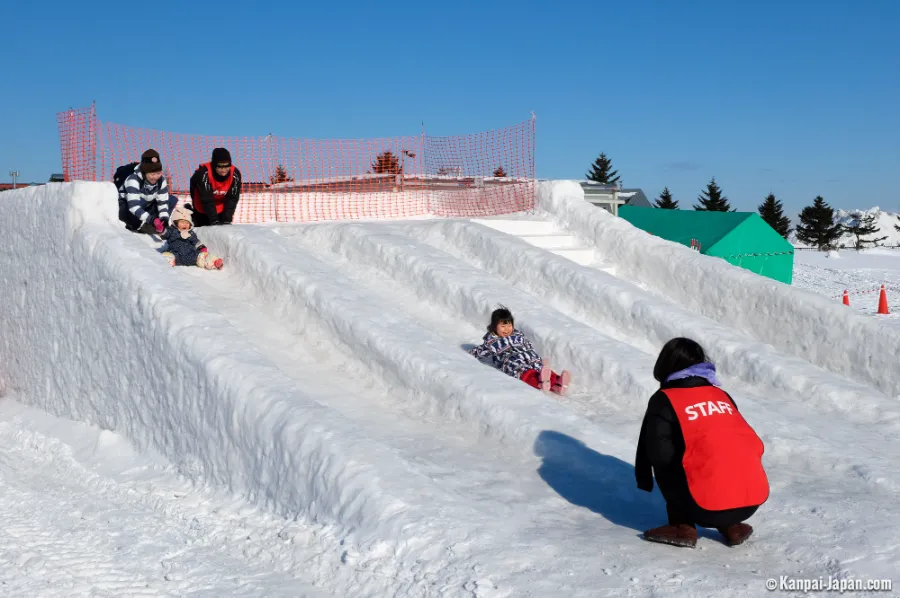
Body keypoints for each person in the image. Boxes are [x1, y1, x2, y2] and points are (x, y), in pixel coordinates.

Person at [635, 337, 769, 548]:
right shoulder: (721, 395)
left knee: (669, 463)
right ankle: (732, 525)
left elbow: (660, 457)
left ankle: (682, 526)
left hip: (703, 507)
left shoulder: (666, 399)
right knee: (724, 448)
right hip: (751, 503)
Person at [469, 307, 572, 394]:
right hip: (511, 361)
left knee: (539, 366)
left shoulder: (517, 335)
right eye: (503, 326)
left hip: (527, 356)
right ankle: (539, 382)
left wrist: (534, 355)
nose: (507, 329)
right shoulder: (492, 341)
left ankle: (557, 382)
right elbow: (482, 351)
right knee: (524, 371)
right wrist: (472, 353)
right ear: (495, 327)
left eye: (509, 325)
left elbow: (527, 345)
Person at [122, 149, 177, 234]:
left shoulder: (161, 181)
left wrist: (164, 218)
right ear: (144, 172)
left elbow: (162, 203)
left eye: (158, 173)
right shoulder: (133, 180)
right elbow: (133, 207)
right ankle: (139, 226)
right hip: (129, 210)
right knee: (139, 202)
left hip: (146, 207)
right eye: (152, 174)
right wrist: (151, 220)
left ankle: (159, 227)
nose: (155, 177)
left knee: (171, 199)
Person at [189, 147, 242, 226]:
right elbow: (207, 199)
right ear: (214, 165)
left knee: (224, 224)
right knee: (204, 226)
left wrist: (227, 219)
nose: (223, 170)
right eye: (220, 166)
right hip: (202, 205)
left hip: (220, 206)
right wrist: (214, 220)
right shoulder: (204, 173)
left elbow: (232, 198)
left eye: (226, 166)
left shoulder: (235, 174)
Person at [160, 204, 223, 270]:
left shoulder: (190, 233)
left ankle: (215, 262)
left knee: (203, 256)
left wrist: (201, 247)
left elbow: (195, 241)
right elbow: (165, 234)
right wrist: (161, 229)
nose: (185, 224)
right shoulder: (172, 231)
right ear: (175, 223)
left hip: (192, 255)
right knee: (167, 256)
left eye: (187, 223)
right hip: (176, 254)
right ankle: (168, 264)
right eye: (182, 222)